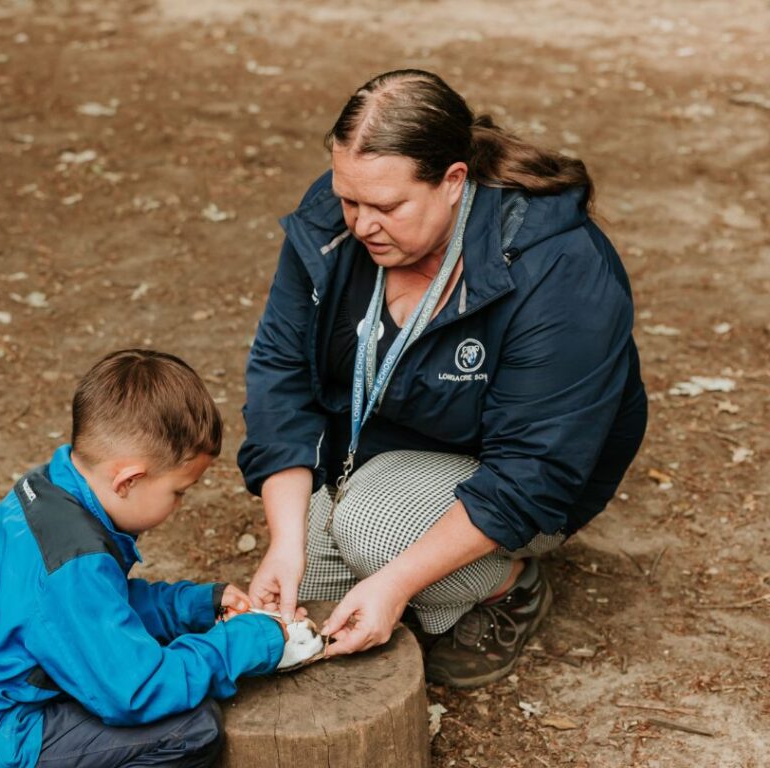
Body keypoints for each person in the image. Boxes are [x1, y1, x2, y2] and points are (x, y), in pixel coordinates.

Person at [239, 69, 647, 688]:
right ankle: (392, 546)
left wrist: (398, 581)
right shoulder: (336, 220)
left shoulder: (558, 268)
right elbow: (280, 377)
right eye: (348, 198)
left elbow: (533, 471)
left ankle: (510, 585)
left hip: (516, 478)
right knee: (301, 588)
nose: (359, 225)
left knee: (373, 533)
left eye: (386, 206)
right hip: (379, 457)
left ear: (454, 181)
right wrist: (284, 542)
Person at [0, 349, 286, 768]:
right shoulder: (74, 559)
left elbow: (96, 607)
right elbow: (137, 691)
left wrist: (193, 605)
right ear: (128, 480)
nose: (180, 505)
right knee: (190, 729)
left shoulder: (49, 491)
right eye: (179, 491)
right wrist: (248, 641)